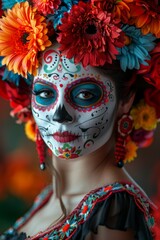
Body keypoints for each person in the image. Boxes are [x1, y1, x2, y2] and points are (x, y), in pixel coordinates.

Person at [0, 0, 159, 239]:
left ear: (125, 100)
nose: (59, 114)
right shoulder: (49, 195)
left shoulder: (115, 214)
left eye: (85, 95)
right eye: (45, 94)